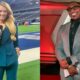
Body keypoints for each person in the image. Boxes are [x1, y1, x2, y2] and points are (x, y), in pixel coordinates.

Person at [55, 2, 80, 80]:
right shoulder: (62, 28)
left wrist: (71, 60)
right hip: (66, 70)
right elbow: (58, 48)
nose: (72, 11)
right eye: (69, 9)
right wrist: (68, 65)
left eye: (75, 8)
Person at [0, 1, 20, 80]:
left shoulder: (13, 22)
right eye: (0, 11)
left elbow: (16, 40)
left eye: (5, 11)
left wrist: (17, 48)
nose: (2, 13)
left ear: (8, 12)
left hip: (12, 59)